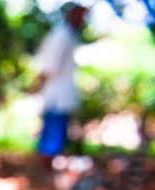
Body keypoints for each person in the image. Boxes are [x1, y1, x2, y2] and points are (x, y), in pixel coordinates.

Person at [33, 2, 88, 175]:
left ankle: (53, 173)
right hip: (56, 96)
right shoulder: (62, 35)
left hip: (62, 96)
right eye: (80, 14)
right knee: (52, 136)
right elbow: (49, 67)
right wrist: (37, 88)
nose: (83, 19)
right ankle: (46, 173)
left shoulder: (70, 35)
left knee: (59, 135)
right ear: (70, 14)